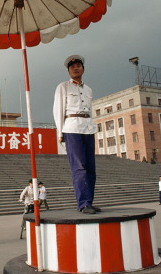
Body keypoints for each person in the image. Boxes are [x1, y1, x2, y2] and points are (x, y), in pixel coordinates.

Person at [53, 54, 99, 214]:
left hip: (88, 128)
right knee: (79, 168)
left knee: (91, 168)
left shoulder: (88, 89)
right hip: (72, 128)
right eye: (72, 67)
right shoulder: (63, 87)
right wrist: (60, 132)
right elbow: (58, 110)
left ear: (83, 69)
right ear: (69, 71)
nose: (75, 68)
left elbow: (90, 111)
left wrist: (92, 127)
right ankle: (83, 203)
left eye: (78, 65)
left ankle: (90, 202)